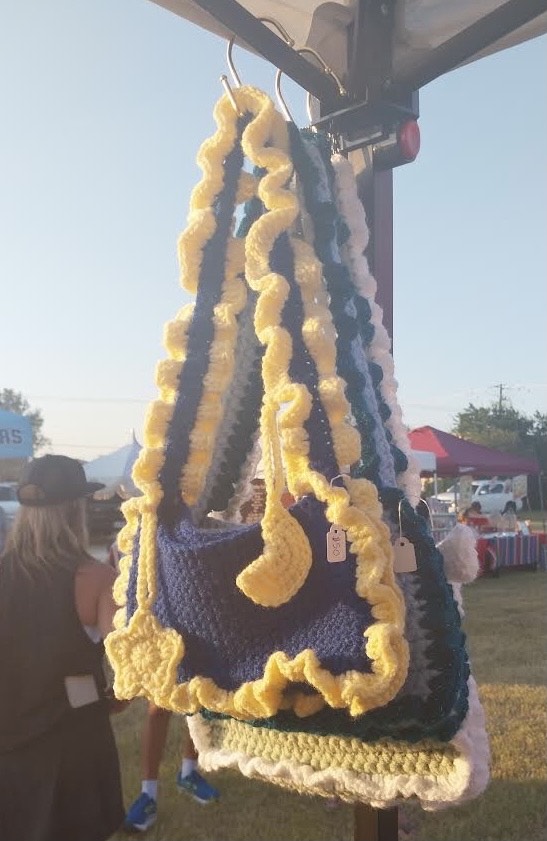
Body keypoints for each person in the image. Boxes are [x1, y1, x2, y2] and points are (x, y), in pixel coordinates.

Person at [0, 455, 125, 841]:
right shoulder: (98, 578)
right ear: (75, 509)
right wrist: (119, 696)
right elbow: (131, 667)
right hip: (74, 748)